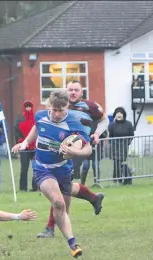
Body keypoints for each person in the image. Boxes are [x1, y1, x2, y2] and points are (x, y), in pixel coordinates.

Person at [12, 90, 102, 258]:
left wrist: (76, 152)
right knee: (58, 202)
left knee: (64, 207)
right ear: (48, 106)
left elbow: (87, 148)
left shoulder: (73, 123)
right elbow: (36, 128)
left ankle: (94, 199)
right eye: (54, 109)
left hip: (63, 169)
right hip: (42, 168)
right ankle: (73, 243)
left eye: (61, 110)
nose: (57, 114)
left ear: (67, 107)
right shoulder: (40, 116)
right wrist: (24, 143)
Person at [36, 81, 107, 239]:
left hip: (75, 150)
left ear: (82, 92)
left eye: (76, 90)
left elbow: (104, 120)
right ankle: (94, 198)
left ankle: (51, 226)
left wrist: (97, 134)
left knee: (60, 188)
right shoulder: (58, 106)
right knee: (64, 187)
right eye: (70, 90)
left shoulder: (91, 106)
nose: (73, 92)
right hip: (58, 150)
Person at [14, 100, 38, 192]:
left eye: (30, 106)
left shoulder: (36, 118)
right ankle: (23, 188)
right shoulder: (20, 118)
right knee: (24, 168)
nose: (28, 108)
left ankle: (35, 187)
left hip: (35, 147)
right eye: (26, 106)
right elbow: (16, 131)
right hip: (24, 147)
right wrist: (20, 141)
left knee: (36, 168)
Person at [108, 107, 135, 185]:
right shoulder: (112, 125)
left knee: (118, 163)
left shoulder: (128, 124)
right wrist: (111, 144)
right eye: (117, 113)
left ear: (123, 115)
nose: (119, 115)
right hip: (115, 147)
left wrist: (128, 142)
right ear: (115, 115)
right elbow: (111, 136)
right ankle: (117, 179)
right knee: (116, 163)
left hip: (124, 146)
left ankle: (118, 178)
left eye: (121, 113)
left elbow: (131, 135)